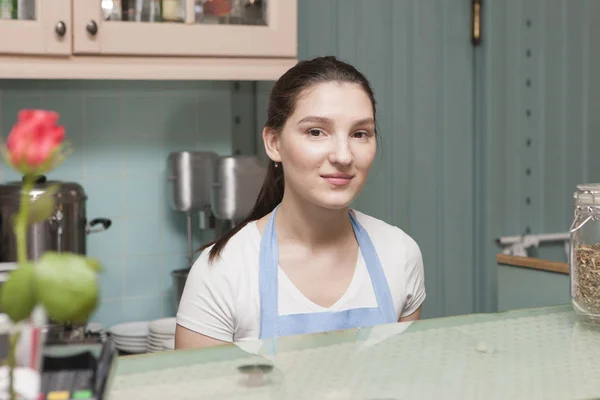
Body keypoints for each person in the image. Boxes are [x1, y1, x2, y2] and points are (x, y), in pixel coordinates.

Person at [175, 56, 426, 349]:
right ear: (274, 143)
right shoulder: (223, 271)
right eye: (316, 132)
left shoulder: (399, 255)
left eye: (360, 134)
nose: (343, 156)